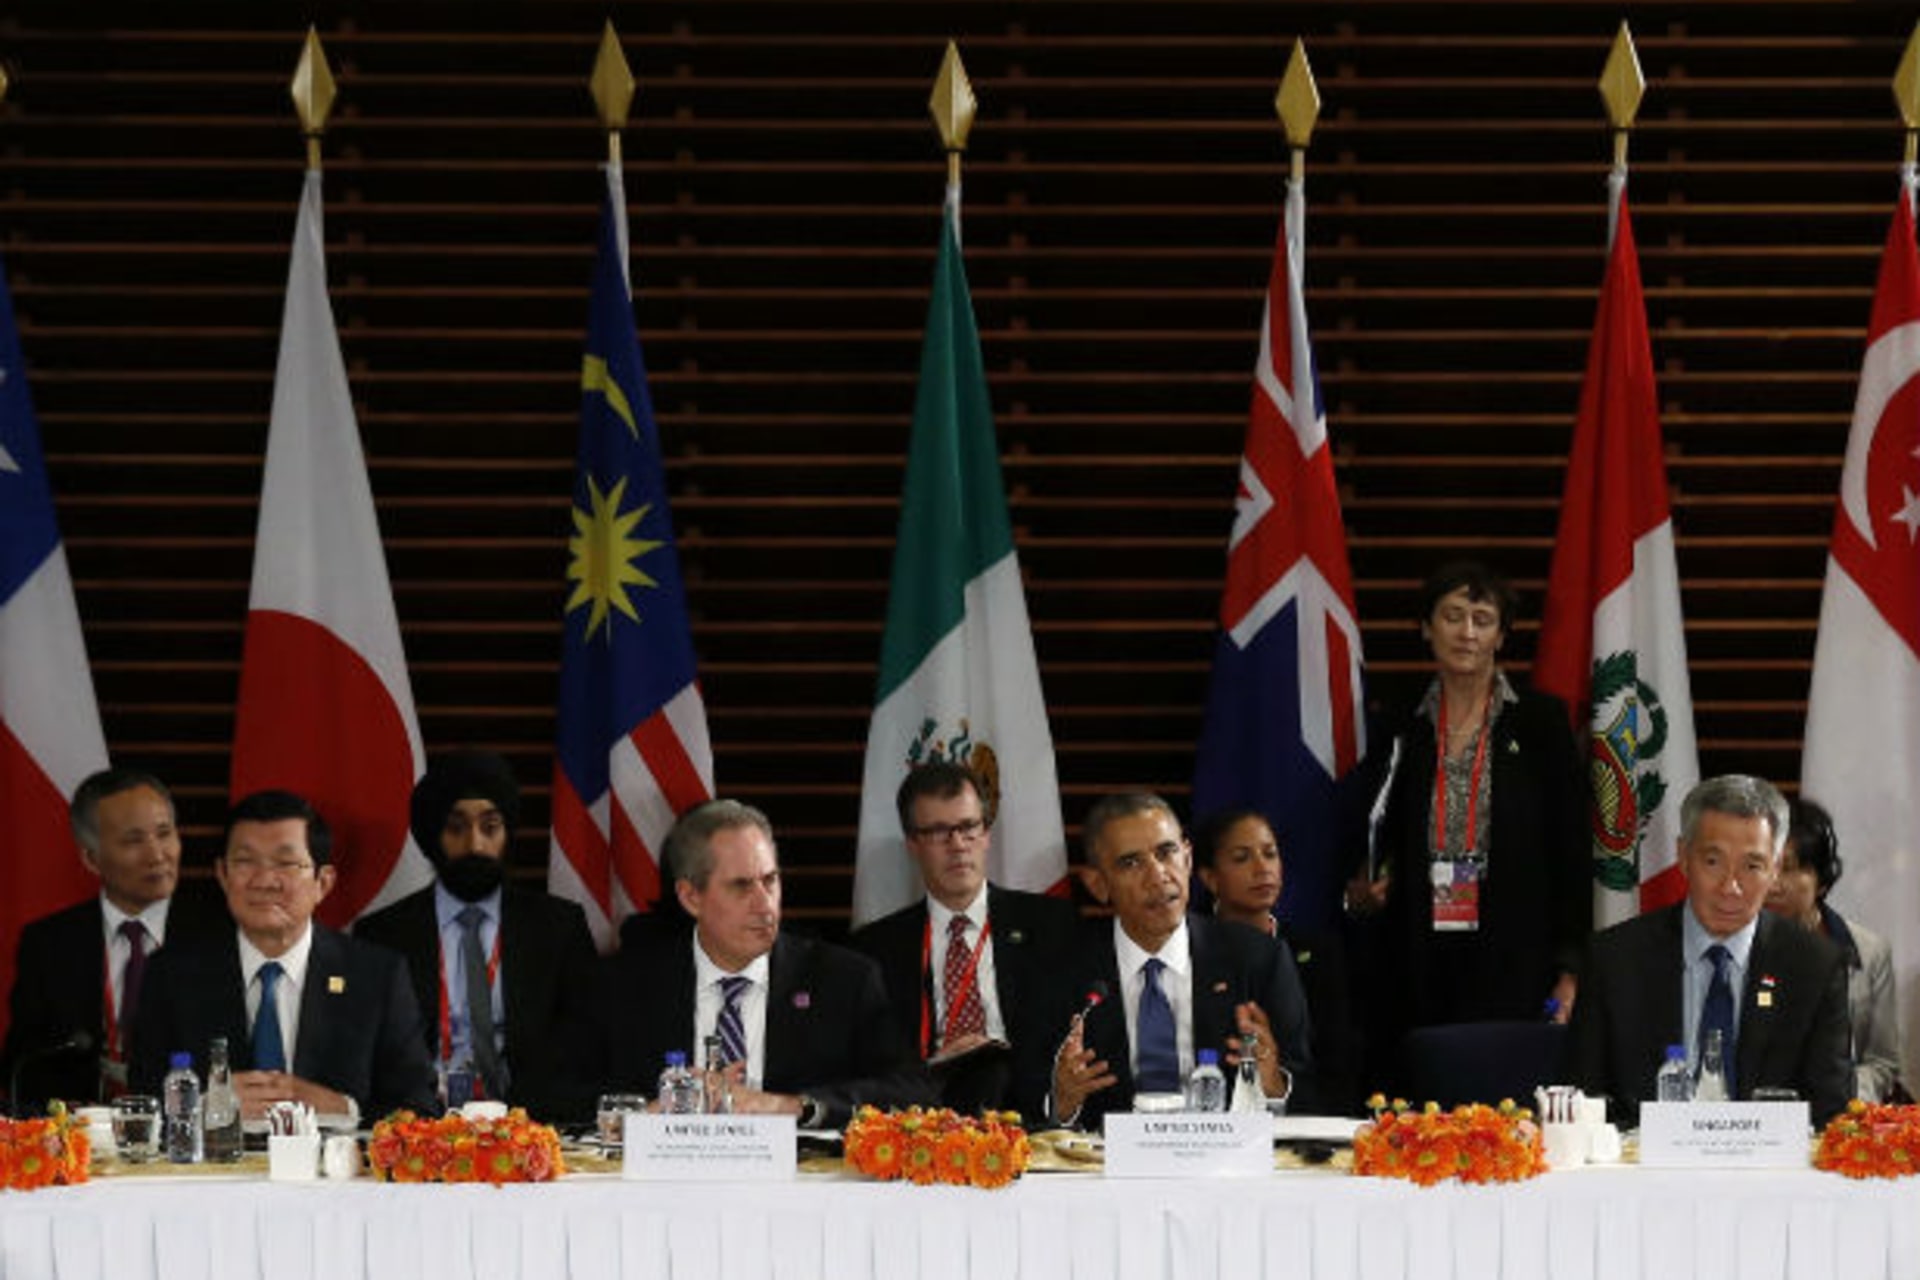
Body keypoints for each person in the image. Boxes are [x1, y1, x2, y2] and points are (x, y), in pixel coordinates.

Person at [1344, 561, 1587, 1087]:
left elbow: (1570, 851)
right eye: (1452, 616)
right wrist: (1366, 880)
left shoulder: (1540, 722)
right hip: (1413, 939)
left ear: (1502, 635)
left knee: (1503, 1089)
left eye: (1482, 619)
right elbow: (1370, 821)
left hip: (1515, 943)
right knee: (1420, 1088)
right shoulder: (1398, 719)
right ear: (1426, 628)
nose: (1467, 633)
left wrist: (1570, 967)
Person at [598, 799, 931, 1127]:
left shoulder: (843, 980)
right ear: (691, 897)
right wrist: (648, 1115)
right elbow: (571, 1092)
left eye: (770, 880)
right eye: (741, 886)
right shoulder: (625, 986)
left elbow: (913, 1092)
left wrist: (794, 1107)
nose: (764, 905)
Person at [130, 790, 437, 1120]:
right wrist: (203, 1106)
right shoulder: (173, 974)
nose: (264, 881)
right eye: (245, 861)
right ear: (222, 875)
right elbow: (141, 1099)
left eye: (286, 863)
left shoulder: (376, 976)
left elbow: (419, 1106)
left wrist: (343, 1109)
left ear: (323, 882)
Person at [1566, 775, 1853, 1126]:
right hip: (1644, 1159)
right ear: (1683, 857)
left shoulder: (1815, 966)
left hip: (1769, 1161)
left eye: (1752, 866)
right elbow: (1582, 1103)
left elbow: (1830, 1115)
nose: (1731, 887)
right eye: (1713, 862)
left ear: (1775, 868)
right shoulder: (1615, 959)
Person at [355, 751, 600, 1121]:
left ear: (508, 832)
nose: (475, 845)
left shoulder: (557, 927)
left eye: (490, 827)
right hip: (418, 1124)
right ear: (433, 837)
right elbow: (374, 1053)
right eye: (456, 828)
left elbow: (583, 1041)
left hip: (532, 1123)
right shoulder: (384, 933)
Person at [1051, 793, 1313, 1128]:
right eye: (1131, 863)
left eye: (1166, 853)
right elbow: (1032, 1101)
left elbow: (1309, 1090)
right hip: (1104, 1156)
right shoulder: (1062, 969)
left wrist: (1273, 1085)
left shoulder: (1258, 959)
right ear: (1099, 884)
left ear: (1187, 859)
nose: (1158, 875)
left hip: (1225, 1155)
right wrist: (1063, 1102)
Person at [849, 762, 1078, 1118]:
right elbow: (871, 1064)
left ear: (986, 834)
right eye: (938, 832)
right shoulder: (873, 949)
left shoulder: (1052, 925)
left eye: (968, 827)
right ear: (913, 844)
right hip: (920, 1124)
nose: (957, 845)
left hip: (1029, 1121)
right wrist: (936, 1066)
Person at [4, 769, 226, 1114]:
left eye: (164, 833)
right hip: (82, 1130)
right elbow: (25, 1065)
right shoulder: (48, 943)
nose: (157, 854)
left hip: (185, 1126)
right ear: (91, 859)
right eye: (133, 841)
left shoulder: (218, 933)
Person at [1194, 807, 1359, 1114]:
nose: (1262, 869)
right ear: (1210, 878)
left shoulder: (1319, 951)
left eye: (1270, 854)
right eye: (1242, 858)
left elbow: (1337, 1069)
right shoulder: (1189, 951)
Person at [1763, 796, 1901, 1104]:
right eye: (1762, 867)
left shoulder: (1869, 951)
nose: (1773, 885)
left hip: (1841, 1112)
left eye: (1788, 869)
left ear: (1822, 880)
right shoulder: (1729, 946)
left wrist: (1843, 1099)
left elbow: (1882, 1062)